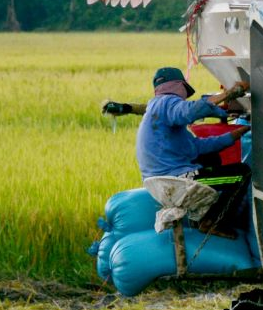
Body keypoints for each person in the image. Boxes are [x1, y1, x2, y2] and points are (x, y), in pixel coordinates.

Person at [102, 67, 247, 234]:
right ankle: (213, 222)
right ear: (179, 86)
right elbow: (188, 111)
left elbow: (200, 147)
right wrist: (230, 93)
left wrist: (236, 134)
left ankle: (204, 217)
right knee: (241, 174)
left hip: (160, 183)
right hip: (177, 181)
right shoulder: (167, 102)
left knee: (210, 157)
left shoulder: (161, 116)